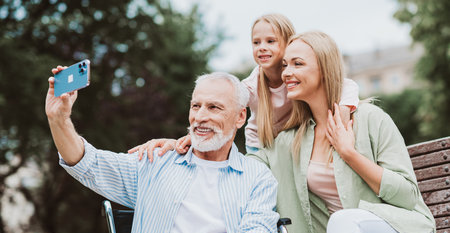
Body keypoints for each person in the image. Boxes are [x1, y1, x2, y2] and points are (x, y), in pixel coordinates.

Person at [45, 70, 297, 233]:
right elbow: (88, 164)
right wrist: (59, 120)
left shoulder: (257, 176)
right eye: (195, 106)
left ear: (240, 117)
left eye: (214, 108)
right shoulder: (155, 162)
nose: (200, 117)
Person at [248, 31, 436, 233]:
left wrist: (350, 153)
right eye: (285, 64)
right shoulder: (291, 141)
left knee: (344, 221)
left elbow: (408, 195)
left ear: (324, 69)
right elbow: (249, 163)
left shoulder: (371, 119)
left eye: (298, 64)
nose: (287, 72)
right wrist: (194, 139)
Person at [128, 14, 360, 159]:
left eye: (270, 41)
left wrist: (342, 115)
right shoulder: (250, 86)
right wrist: (193, 136)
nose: (262, 47)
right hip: (261, 146)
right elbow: (222, 108)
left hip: (292, 143)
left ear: (288, 44)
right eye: (256, 42)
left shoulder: (298, 79)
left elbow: (345, 85)